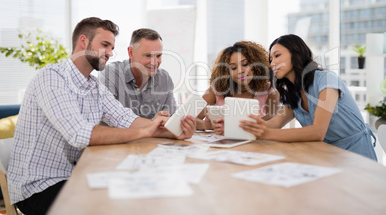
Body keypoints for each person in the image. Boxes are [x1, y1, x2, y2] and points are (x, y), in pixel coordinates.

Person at [7, 17, 196, 215]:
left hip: (73, 176)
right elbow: (80, 134)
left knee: (139, 194)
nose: (111, 53)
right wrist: (146, 130)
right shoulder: (52, 77)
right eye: (105, 45)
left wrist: (172, 132)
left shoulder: (94, 86)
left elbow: (125, 118)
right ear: (83, 42)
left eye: (112, 47)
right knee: (113, 207)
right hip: (38, 186)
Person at [240, 34, 377, 160]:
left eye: (277, 56)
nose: (272, 63)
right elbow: (275, 123)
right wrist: (241, 126)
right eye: (270, 59)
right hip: (329, 155)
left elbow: (318, 131)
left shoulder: (326, 79)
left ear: (296, 54)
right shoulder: (292, 92)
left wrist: (266, 134)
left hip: (358, 155)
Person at [197, 41, 280, 134]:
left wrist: (232, 126)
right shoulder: (216, 90)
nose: (240, 71)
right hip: (223, 146)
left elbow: (273, 122)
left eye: (245, 64)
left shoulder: (270, 92)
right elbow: (190, 118)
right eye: (233, 68)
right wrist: (208, 125)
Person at [99, 28, 177, 119]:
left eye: (158, 56)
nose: (155, 63)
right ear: (131, 53)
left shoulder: (164, 79)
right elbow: (110, 117)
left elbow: (171, 119)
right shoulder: (110, 74)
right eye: (148, 56)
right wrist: (152, 124)